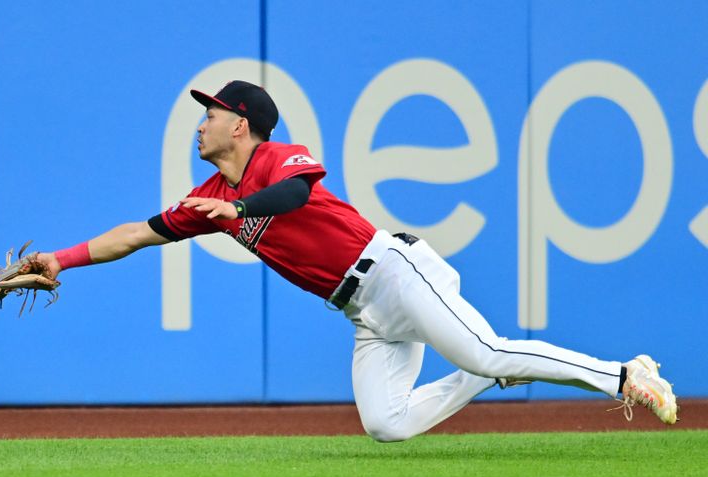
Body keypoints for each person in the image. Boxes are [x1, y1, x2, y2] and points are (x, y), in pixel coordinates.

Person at [36, 80, 678, 441]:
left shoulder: (276, 157)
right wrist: (61, 260)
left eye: (211, 115)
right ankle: (481, 372)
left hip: (396, 271)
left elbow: (296, 193)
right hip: (365, 313)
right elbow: (135, 234)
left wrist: (243, 210)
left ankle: (625, 374)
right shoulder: (207, 197)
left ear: (242, 125)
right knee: (386, 425)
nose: (198, 125)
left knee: (486, 350)